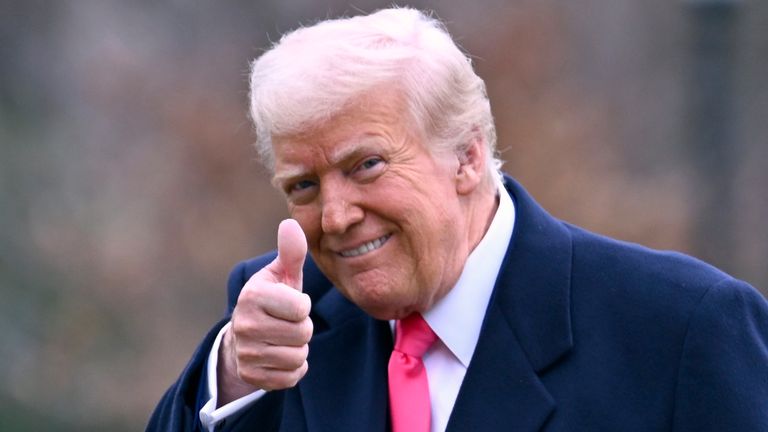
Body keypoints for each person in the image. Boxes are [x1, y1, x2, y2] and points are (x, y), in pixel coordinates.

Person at [148, 7, 768, 432]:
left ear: (467, 156)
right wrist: (233, 372)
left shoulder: (683, 328)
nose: (334, 216)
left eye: (366, 165)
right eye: (303, 185)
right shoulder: (284, 323)